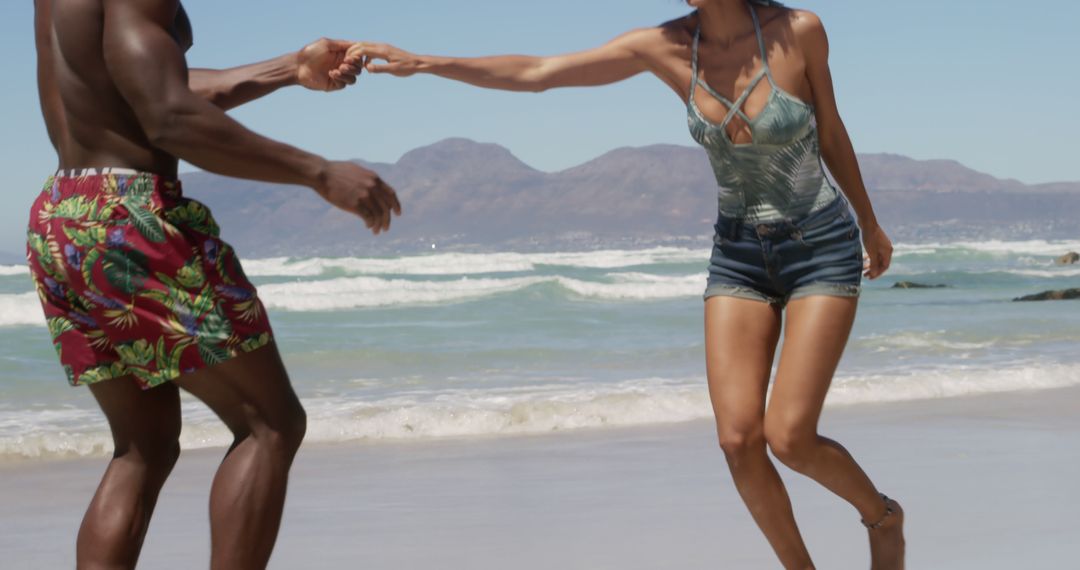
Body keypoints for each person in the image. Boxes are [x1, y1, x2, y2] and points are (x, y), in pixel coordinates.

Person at [348, 0, 902, 568]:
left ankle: (882, 518)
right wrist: (425, 62)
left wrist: (870, 221)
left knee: (789, 436)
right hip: (738, 254)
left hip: (820, 244)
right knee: (738, 441)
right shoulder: (661, 46)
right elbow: (540, 74)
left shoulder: (799, 30)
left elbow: (830, 129)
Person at [29, 1, 401, 568]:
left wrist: (286, 69)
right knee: (269, 424)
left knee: (143, 448)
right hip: (132, 216)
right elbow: (167, 116)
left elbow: (138, 85)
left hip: (65, 215)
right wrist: (318, 172)